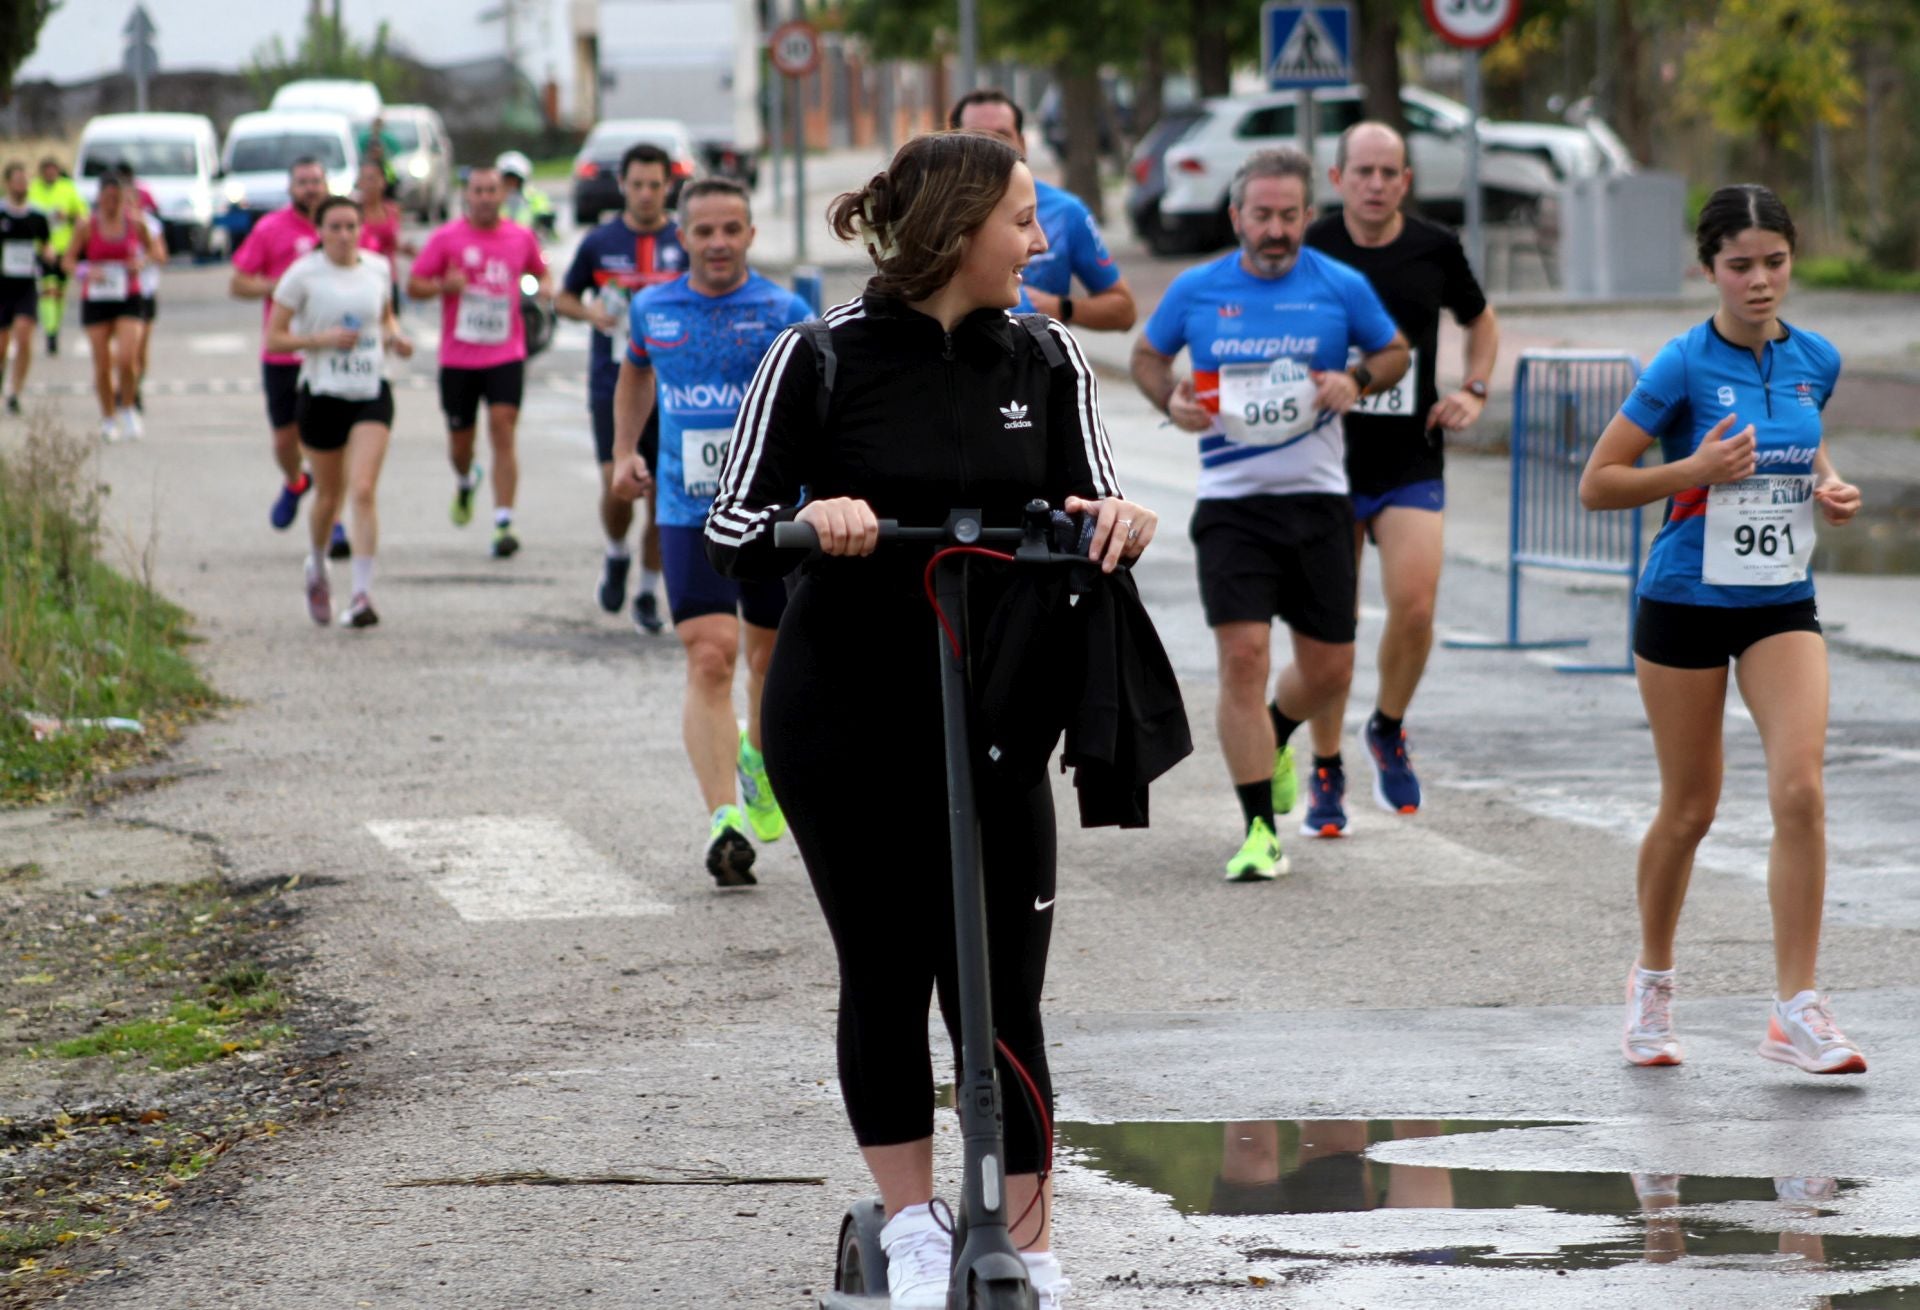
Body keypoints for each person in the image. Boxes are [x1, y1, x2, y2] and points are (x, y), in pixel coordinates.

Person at [706, 129, 1158, 1310]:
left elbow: (1095, 487)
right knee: (887, 965)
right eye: (1021, 218)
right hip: (846, 705)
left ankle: (1029, 1240)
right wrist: (827, 515)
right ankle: (910, 1224)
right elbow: (731, 523)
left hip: (999, 700)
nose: (1039, 241)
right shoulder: (819, 357)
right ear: (960, 232)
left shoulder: (1049, 356)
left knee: (1004, 983)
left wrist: (1117, 518)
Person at [1579, 185, 1867, 1077]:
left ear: (1792, 260)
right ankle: (1653, 982)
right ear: (1708, 269)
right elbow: (1599, 481)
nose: (1759, 281)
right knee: (1693, 807)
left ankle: (1797, 1008)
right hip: (1686, 600)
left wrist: (1828, 484)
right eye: (1740, 265)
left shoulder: (1817, 357)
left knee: (1802, 792)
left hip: (1781, 598)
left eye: (1774, 262)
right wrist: (1694, 468)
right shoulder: (1682, 365)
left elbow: (1802, 439)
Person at [1130, 147, 1408, 880]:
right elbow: (1147, 358)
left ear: (1309, 216)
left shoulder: (1340, 285)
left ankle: (1277, 732)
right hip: (1231, 506)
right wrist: (1173, 400)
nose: (1276, 230)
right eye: (1262, 216)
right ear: (1236, 217)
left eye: (1289, 216)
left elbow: (1395, 352)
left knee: (1329, 671)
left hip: (1317, 502)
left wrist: (1356, 378)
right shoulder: (1197, 289)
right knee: (1243, 659)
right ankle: (1259, 830)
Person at [607, 177, 808, 884]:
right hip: (687, 509)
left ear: (751, 234)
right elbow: (635, 376)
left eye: (731, 229)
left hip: (769, 509)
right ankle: (724, 816)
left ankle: (757, 755)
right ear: (683, 237)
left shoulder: (785, 311)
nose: (718, 243)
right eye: (704, 231)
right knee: (711, 656)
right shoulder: (653, 309)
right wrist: (624, 450)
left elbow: (819, 399)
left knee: (769, 660)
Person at [1302, 122, 1500, 821]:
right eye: (1364, 172)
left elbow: (1481, 321)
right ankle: (1325, 766)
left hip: (1410, 454)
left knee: (1415, 607)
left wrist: (1473, 389)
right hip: (1325, 460)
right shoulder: (1311, 246)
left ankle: (1386, 726)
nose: (1377, 184)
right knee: (1335, 623)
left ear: (1406, 182)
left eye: (1390, 173)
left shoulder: (1434, 248)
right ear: (1338, 179)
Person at [266, 195, 412, 628]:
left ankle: (362, 595)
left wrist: (396, 338)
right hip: (323, 393)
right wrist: (321, 339)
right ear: (320, 231)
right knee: (329, 498)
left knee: (363, 489)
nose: (345, 235)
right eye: (336, 227)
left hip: (371, 389)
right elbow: (275, 339)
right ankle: (317, 563)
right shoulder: (302, 276)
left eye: (352, 226)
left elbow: (385, 319)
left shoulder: (378, 269)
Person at [557, 142, 685, 632]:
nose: (647, 194)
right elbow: (565, 296)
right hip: (613, 383)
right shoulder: (599, 242)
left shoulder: (685, 241)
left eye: (656, 185)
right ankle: (615, 553)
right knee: (619, 485)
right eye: (638, 185)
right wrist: (589, 312)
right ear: (623, 186)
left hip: (673, 388)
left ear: (667, 187)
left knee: (661, 494)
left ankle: (649, 591)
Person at [408, 166, 552, 558]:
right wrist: (443, 286)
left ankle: (504, 520)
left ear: (502, 195)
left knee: (504, 430)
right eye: (479, 191)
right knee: (460, 444)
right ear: (466, 196)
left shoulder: (520, 237)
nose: (486, 197)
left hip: (506, 353)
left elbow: (542, 274)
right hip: (458, 357)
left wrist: (539, 293)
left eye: (492, 190)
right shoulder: (446, 238)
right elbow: (414, 285)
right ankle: (466, 479)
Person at [948, 89, 1136, 332]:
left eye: (1002, 135)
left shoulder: (1065, 212)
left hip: (1035, 362)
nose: (990, 148)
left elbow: (1124, 310)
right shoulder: (936, 212)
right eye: (977, 137)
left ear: (1023, 144)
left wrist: (1060, 308)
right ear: (953, 145)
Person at [231, 157, 339, 549]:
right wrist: (276, 287)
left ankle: (335, 518)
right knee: (285, 441)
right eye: (302, 182)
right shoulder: (271, 228)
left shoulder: (340, 228)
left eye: (316, 181)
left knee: (327, 441)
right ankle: (296, 481)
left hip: (327, 354)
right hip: (283, 353)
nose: (310, 188)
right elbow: (238, 282)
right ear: (290, 187)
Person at [63, 173, 152, 442]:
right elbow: (67, 261)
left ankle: (128, 408)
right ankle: (108, 417)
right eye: (107, 198)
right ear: (99, 198)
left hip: (128, 295)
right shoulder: (86, 227)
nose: (112, 204)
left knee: (127, 358)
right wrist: (85, 272)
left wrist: (141, 262)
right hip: (97, 298)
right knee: (102, 363)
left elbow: (154, 251)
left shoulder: (136, 224)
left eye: (117, 198)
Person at [115, 162, 170, 414]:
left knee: (140, 348)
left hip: (144, 291)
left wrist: (142, 261)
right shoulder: (110, 224)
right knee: (122, 348)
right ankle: (121, 388)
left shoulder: (149, 225)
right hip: (116, 293)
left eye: (130, 200)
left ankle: (135, 388)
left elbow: (161, 255)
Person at [0, 162, 52, 415]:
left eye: (25, 180)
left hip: (26, 286)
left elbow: (46, 246)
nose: (22, 185)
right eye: (17, 180)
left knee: (23, 336)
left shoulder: (37, 217)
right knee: (1, 345)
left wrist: (50, 256)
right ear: (7, 183)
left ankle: (15, 392)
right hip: (2, 286)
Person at [27, 156, 86, 357]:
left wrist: (67, 216)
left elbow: (81, 215)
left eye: (54, 170)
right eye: (47, 170)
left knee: (59, 291)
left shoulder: (67, 188)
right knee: (47, 289)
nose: (51, 174)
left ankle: (55, 325)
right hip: (42, 247)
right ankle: (50, 330)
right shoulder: (33, 188)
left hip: (64, 246)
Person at [353, 157, 414, 309]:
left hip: (387, 277)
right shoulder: (352, 211)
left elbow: (393, 243)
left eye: (373, 179)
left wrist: (407, 250)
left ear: (383, 182)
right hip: (359, 277)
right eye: (365, 179)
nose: (369, 185)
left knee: (390, 323)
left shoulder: (393, 210)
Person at [496, 152, 556, 240]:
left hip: (528, 240)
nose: (511, 183)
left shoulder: (533, 196)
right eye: (508, 179)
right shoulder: (495, 199)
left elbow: (545, 210)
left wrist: (546, 218)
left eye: (514, 179)